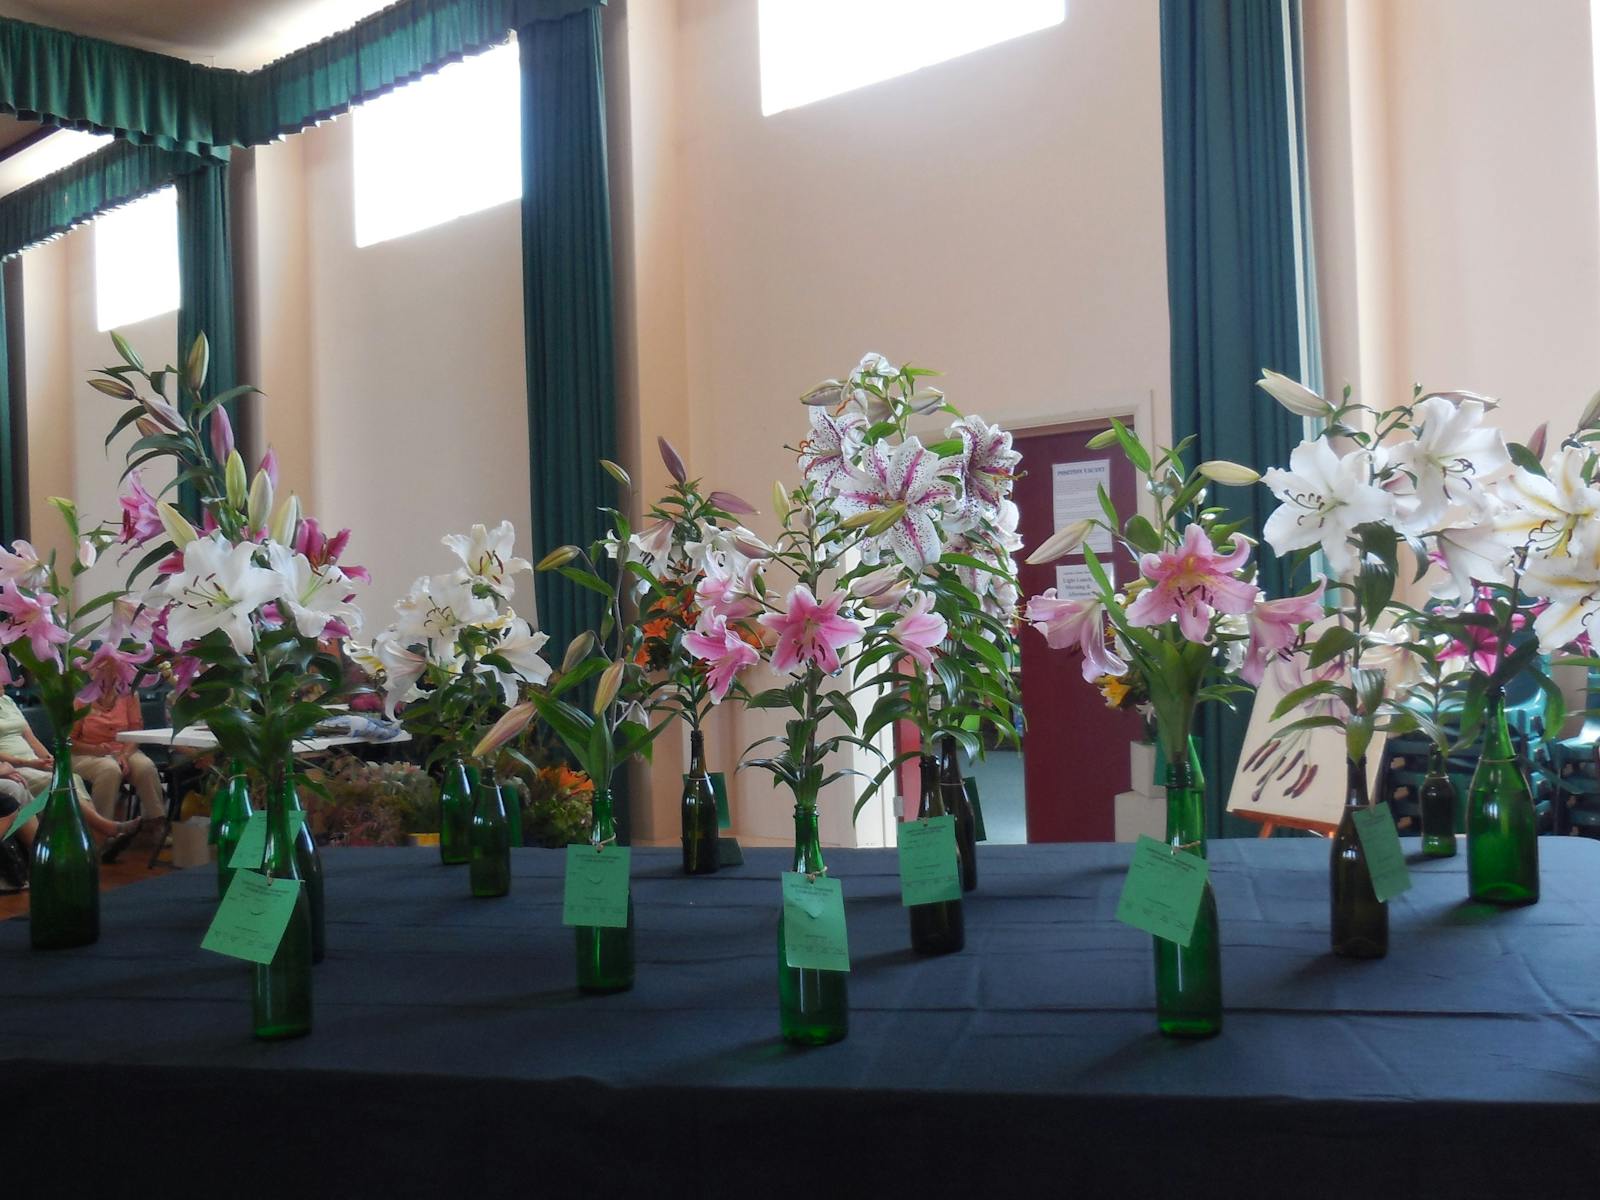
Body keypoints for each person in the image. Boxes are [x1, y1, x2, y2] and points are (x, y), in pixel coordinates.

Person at [0, 693, 144, 861]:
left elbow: (31, 739)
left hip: (34, 761)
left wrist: (52, 761)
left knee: (70, 777)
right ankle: (104, 831)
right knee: (55, 782)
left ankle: (95, 840)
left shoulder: (8, 701)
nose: (4, 680)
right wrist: (28, 763)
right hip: (13, 767)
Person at [72, 691, 166, 823]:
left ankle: (156, 822)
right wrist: (94, 750)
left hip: (123, 749)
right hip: (86, 753)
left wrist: (124, 755)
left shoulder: (130, 695)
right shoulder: (81, 699)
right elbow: (69, 742)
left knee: (145, 767)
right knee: (110, 769)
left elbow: (136, 732)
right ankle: (101, 829)